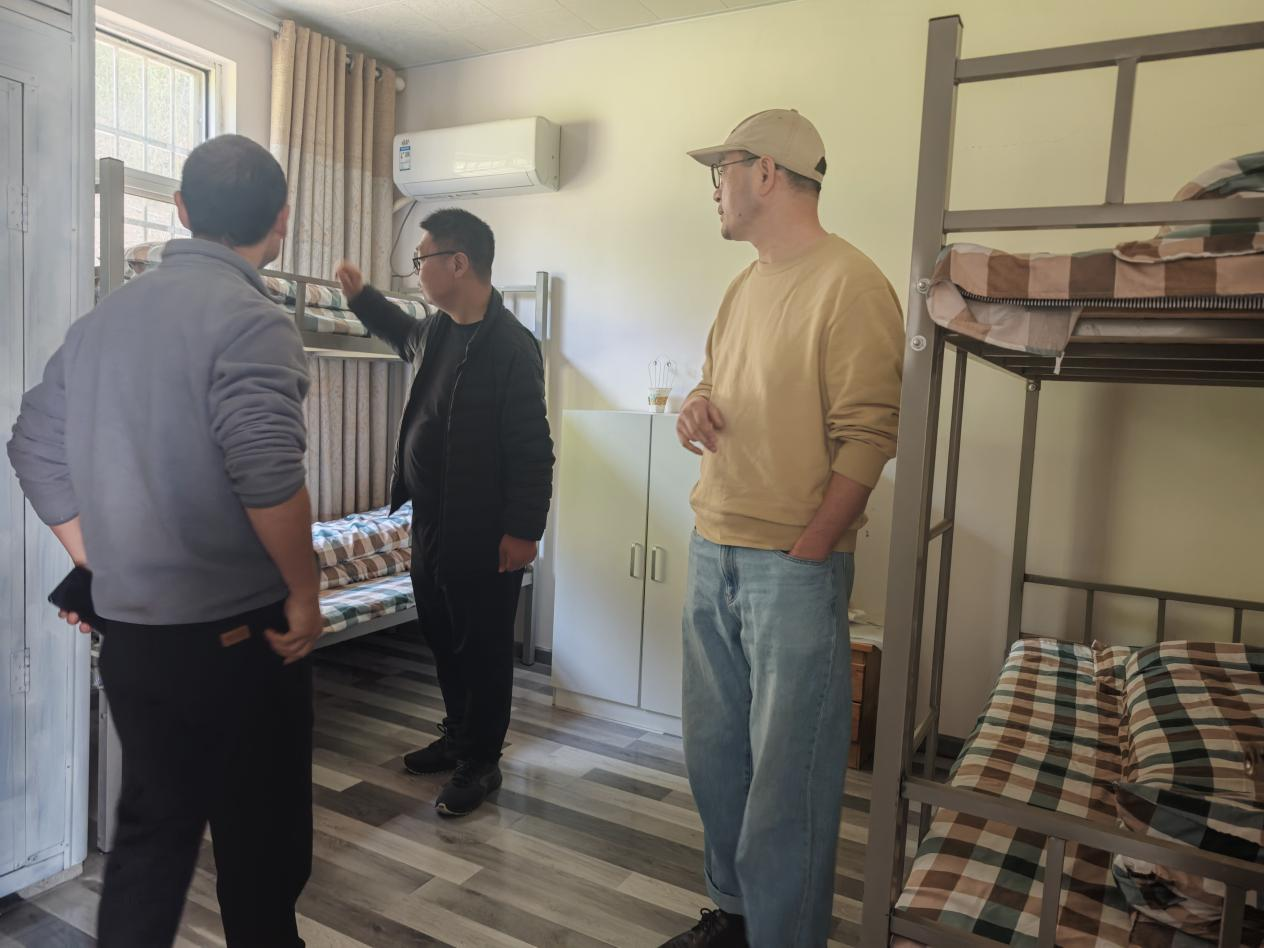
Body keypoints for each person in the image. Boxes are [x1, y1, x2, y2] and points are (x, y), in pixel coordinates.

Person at [7, 134, 317, 947]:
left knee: (150, 842)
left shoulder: (101, 321)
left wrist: (99, 558)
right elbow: (265, 471)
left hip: (137, 641)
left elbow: (32, 444)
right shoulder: (255, 319)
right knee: (263, 844)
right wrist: (306, 591)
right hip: (237, 638)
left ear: (180, 210)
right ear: (280, 222)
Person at [663, 110, 904, 948]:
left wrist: (813, 547)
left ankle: (783, 935)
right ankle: (734, 916)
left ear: (765, 172)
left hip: (791, 564)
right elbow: (716, 383)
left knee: (787, 781)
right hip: (713, 543)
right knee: (715, 757)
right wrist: (696, 406)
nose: (715, 190)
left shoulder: (852, 282)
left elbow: (869, 435)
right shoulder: (743, 287)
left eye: (722, 171)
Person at [335, 208, 553, 817]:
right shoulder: (435, 331)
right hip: (429, 522)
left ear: (458, 263)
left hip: (485, 530)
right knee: (442, 636)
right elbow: (399, 331)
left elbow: (534, 449)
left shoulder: (511, 346)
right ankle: (458, 735)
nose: (417, 270)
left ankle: (482, 762)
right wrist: (361, 297)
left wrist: (524, 531)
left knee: (483, 647)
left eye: (421, 259)